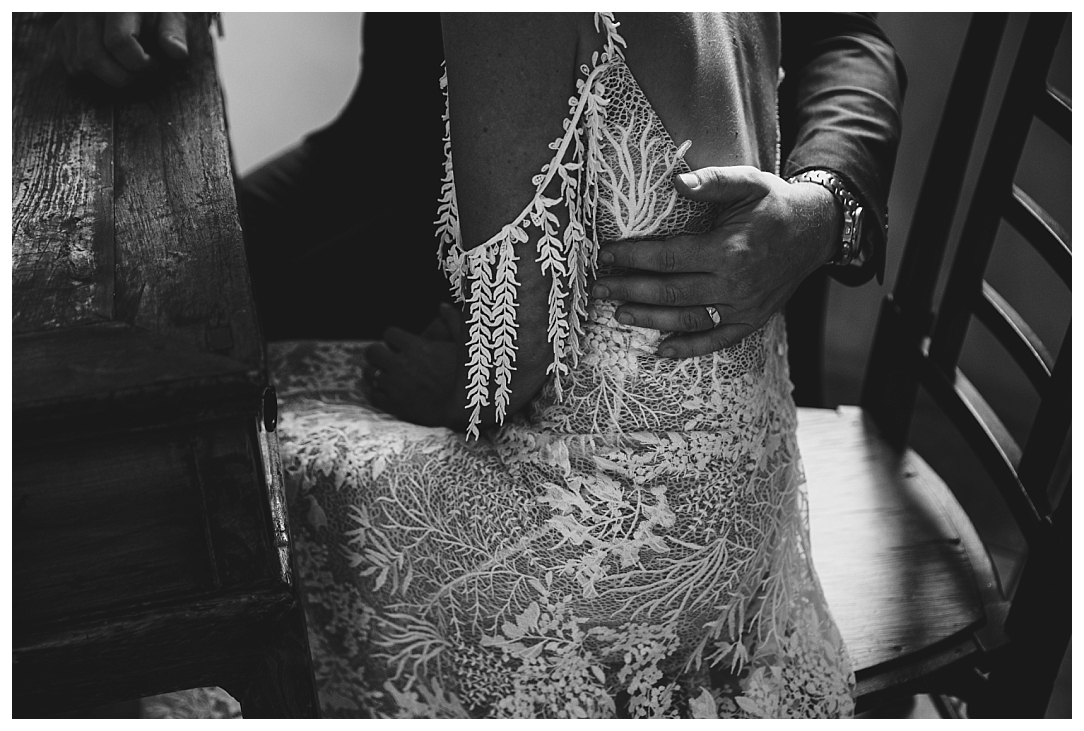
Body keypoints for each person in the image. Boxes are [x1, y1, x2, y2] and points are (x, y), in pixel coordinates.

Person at [51, 12, 905, 718]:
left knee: (197, 488)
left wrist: (824, 212)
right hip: (738, 489)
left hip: (599, 514)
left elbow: (506, 369)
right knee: (191, 340)